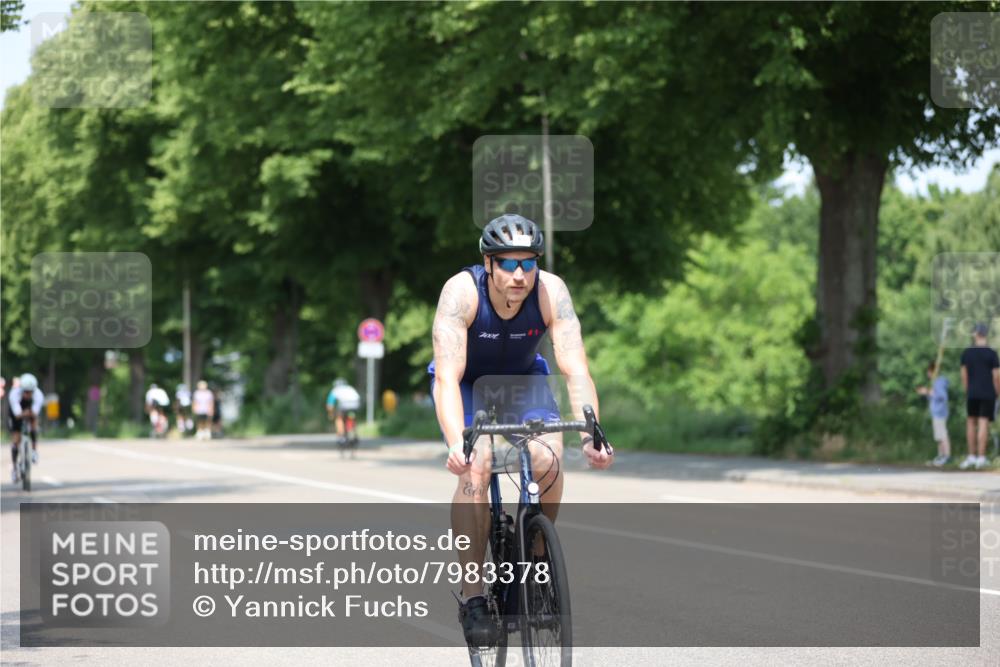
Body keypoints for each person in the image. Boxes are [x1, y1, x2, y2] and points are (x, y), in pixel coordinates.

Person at [428, 213, 614, 646]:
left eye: (527, 263)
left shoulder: (552, 292)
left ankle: (536, 555)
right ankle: (474, 595)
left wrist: (592, 433)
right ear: (488, 263)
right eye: (508, 263)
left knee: (548, 458)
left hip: (525, 381)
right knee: (478, 464)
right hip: (469, 384)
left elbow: (575, 369)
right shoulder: (461, 294)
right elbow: (447, 379)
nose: (518, 274)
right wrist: (458, 442)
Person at [958, 323, 1000, 470]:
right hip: (988, 393)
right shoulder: (992, 353)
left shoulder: (967, 353)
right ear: (986, 334)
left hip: (972, 393)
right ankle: (981, 458)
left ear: (975, 334)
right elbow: (996, 377)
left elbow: (964, 374)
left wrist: (967, 390)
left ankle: (971, 456)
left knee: (970, 422)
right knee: (983, 423)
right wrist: (998, 393)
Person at [9, 373, 44, 482]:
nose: (28, 394)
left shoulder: (38, 395)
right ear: (21, 389)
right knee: (15, 439)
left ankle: (34, 450)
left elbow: (35, 412)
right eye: (26, 391)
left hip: (30, 410)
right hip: (17, 413)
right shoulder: (14, 394)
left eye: (30, 392)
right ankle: (15, 468)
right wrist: (25, 413)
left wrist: (30, 414)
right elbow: (17, 414)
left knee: (34, 425)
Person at [917, 360, 951, 467]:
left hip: (939, 412)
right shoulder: (936, 382)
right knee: (939, 436)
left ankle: (947, 456)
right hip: (937, 413)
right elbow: (934, 395)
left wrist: (928, 392)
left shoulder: (938, 382)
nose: (928, 374)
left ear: (931, 371)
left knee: (942, 434)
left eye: (928, 372)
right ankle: (941, 456)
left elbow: (942, 396)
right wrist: (927, 392)